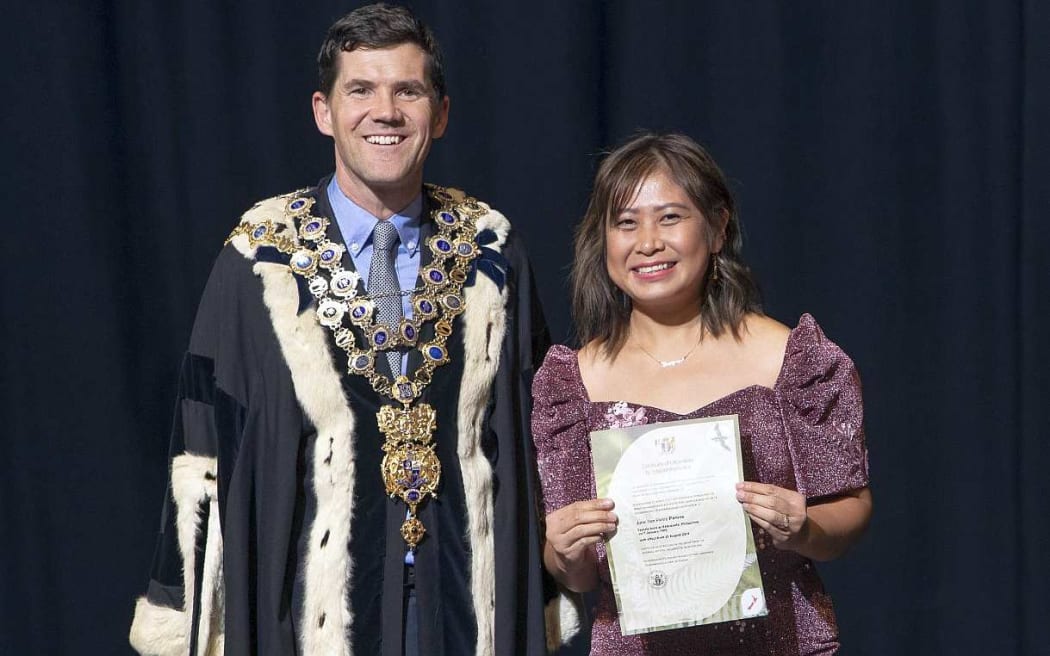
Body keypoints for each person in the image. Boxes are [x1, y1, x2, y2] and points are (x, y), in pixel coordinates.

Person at [128, 5, 551, 655]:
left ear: (439, 114)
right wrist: (188, 615)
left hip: (463, 606)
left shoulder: (491, 251)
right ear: (324, 111)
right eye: (361, 90)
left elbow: (538, 437)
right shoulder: (260, 256)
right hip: (308, 613)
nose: (385, 111)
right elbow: (202, 449)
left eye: (407, 90)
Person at [532, 132, 872, 655]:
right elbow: (575, 575)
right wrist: (565, 551)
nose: (647, 241)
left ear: (717, 228)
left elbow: (850, 509)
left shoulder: (790, 358)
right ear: (603, 242)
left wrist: (803, 527)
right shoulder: (572, 383)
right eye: (626, 222)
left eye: (670, 217)